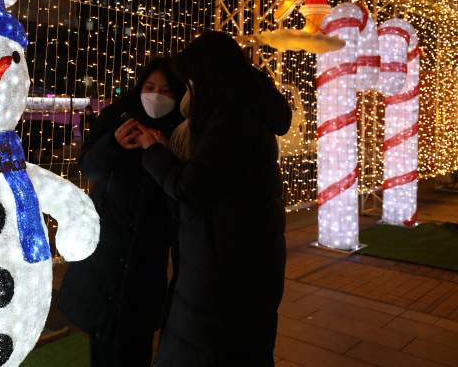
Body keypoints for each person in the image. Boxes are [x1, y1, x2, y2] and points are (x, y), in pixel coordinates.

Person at [137, 31, 292, 367]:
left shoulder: (233, 118)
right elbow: (212, 176)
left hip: (227, 273)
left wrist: (153, 153)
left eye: (190, 80)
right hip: (239, 265)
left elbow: (193, 189)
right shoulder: (245, 110)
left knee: (214, 350)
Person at [57, 57, 185, 367]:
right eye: (150, 87)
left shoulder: (180, 133)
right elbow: (89, 166)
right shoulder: (118, 118)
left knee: (135, 342)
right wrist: (113, 144)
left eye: (166, 91)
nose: (156, 96)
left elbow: (180, 195)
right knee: (102, 338)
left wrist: (162, 152)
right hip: (106, 250)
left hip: (147, 257)